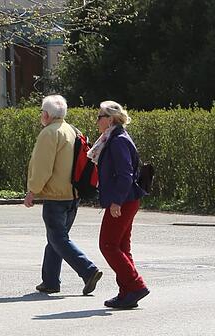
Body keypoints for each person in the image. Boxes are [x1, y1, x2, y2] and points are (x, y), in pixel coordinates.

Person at [24, 94, 103, 296]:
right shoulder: (72, 131)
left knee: (58, 238)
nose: (41, 115)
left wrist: (32, 190)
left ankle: (88, 270)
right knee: (56, 238)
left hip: (56, 196)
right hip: (73, 195)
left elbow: (43, 167)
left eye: (42, 112)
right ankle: (50, 280)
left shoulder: (49, 133)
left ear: (47, 114)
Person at [91, 101, 149, 309]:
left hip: (123, 200)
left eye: (100, 116)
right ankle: (127, 292)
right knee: (121, 247)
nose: (97, 120)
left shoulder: (117, 141)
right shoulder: (113, 138)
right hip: (126, 199)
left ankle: (135, 285)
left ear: (111, 119)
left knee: (108, 245)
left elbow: (125, 175)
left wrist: (116, 201)